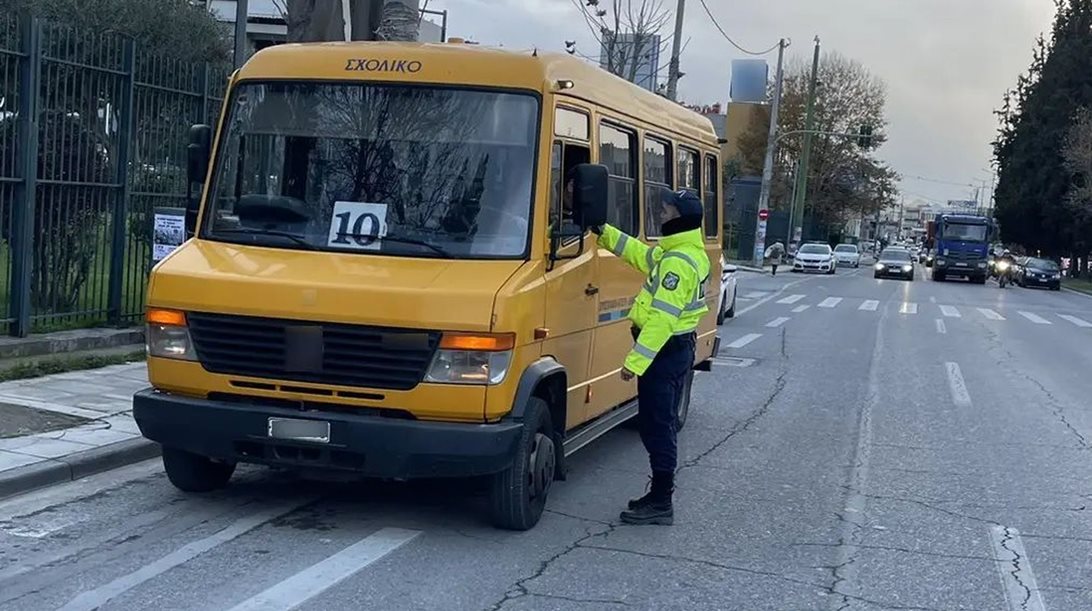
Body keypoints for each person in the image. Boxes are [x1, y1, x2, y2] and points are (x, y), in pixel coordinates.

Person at [592, 189, 711, 526]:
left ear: (680, 216)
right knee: (655, 424)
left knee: (658, 427)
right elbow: (639, 256)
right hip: (673, 350)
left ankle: (661, 501)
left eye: (666, 209)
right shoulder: (679, 252)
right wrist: (602, 230)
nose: (661, 212)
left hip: (665, 352)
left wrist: (635, 362)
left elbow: (662, 318)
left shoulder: (678, 262)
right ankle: (659, 496)